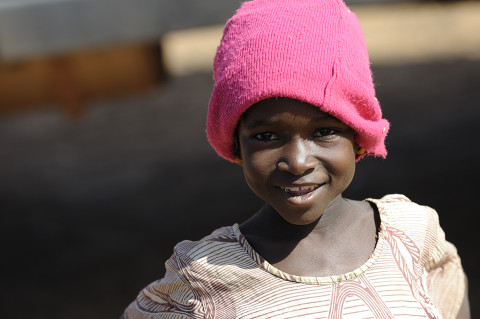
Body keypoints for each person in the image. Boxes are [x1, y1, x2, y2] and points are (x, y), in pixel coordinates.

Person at [122, 0, 470, 317]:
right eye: (266, 136)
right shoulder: (205, 276)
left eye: (323, 132)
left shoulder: (413, 235)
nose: (299, 162)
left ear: (358, 135)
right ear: (236, 144)